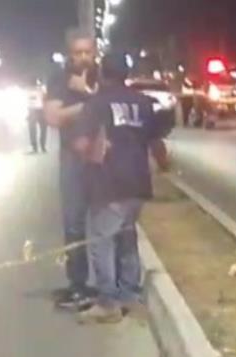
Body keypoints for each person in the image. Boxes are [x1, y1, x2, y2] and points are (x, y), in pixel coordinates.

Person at [71, 52, 171, 324]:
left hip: (109, 182)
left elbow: (81, 144)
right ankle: (130, 294)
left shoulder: (97, 103)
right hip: (138, 182)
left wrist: (84, 156)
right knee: (126, 238)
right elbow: (157, 144)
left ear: (102, 73)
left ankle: (108, 302)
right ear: (126, 75)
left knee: (100, 239)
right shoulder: (143, 102)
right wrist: (165, 168)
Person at [44, 28, 99, 311]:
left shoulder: (103, 78)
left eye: (87, 52)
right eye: (77, 53)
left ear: (95, 52)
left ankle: (110, 286)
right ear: (69, 55)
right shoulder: (60, 80)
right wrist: (85, 104)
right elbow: (52, 117)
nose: (83, 58)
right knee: (74, 223)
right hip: (72, 160)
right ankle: (78, 284)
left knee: (107, 223)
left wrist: (88, 95)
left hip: (103, 159)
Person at [27, 81, 48, 154]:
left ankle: (38, 147)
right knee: (41, 129)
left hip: (38, 111)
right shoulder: (41, 90)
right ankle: (41, 147)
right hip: (38, 110)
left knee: (35, 129)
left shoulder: (40, 90)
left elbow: (31, 103)